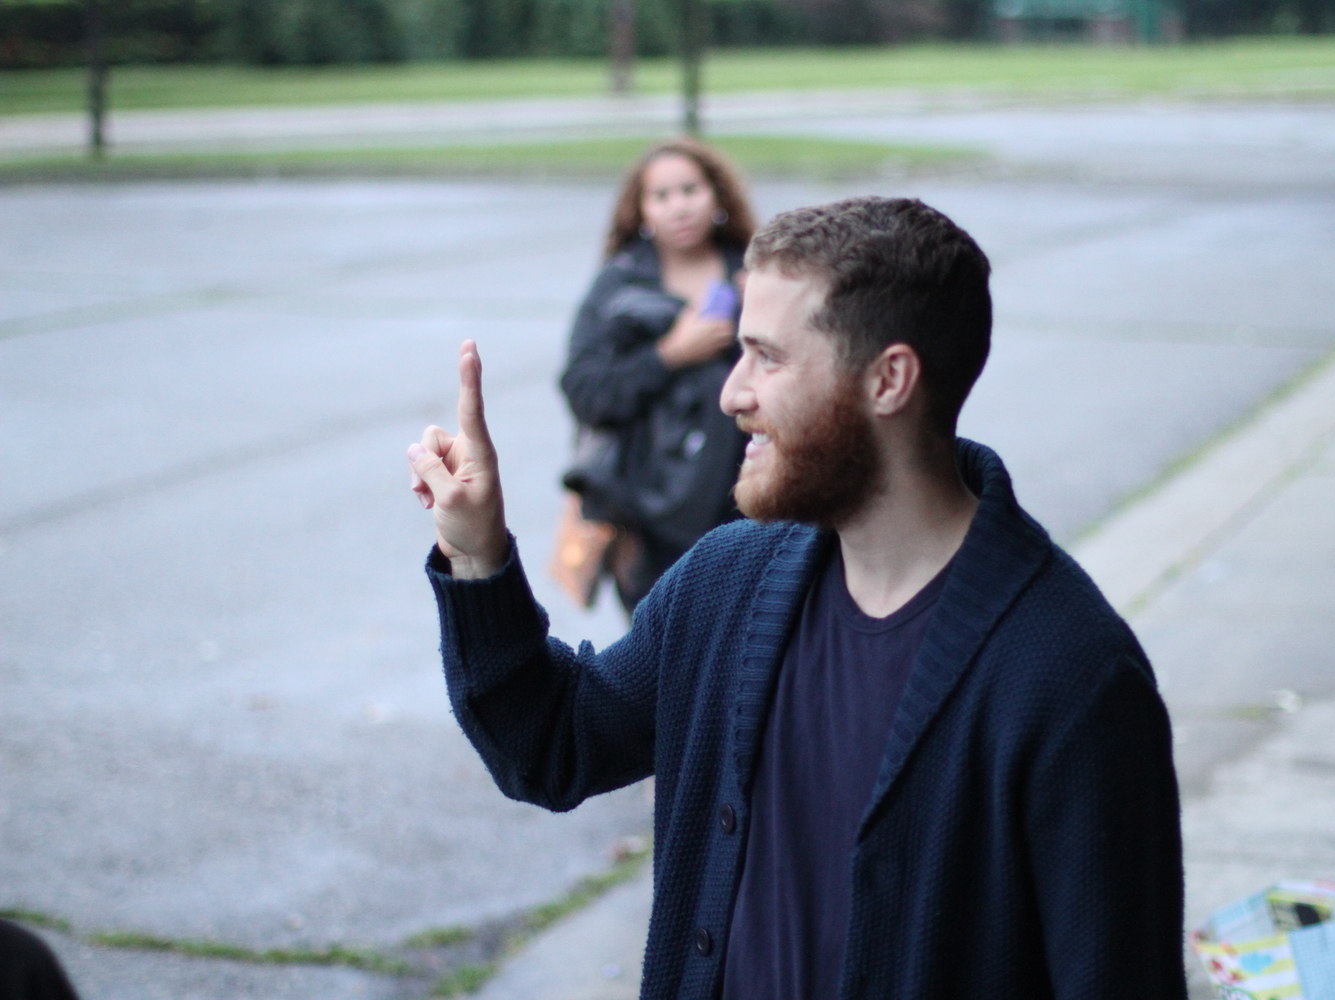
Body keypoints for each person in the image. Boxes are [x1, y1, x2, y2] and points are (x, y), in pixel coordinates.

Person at [408, 197, 1187, 998]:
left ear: (888, 379)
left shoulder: (1070, 678)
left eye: (766, 357)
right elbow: (552, 744)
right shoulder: (727, 583)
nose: (731, 394)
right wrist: (477, 554)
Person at [558, 139, 756, 613]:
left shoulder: (756, 271)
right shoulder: (619, 286)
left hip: (746, 508)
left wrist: (767, 306)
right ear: (640, 210)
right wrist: (669, 355)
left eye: (691, 189)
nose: (679, 207)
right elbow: (584, 389)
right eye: (661, 196)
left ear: (718, 197)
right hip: (648, 519)